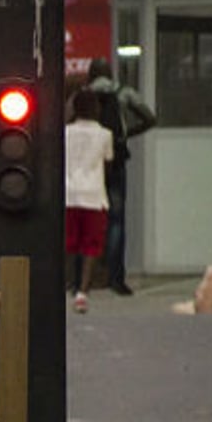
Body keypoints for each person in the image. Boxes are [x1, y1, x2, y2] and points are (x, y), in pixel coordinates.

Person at [86, 57, 156, 296]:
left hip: (90, 165)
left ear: (91, 74)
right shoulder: (124, 93)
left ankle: (83, 279)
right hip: (116, 162)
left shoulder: (83, 95)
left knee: (87, 218)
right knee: (116, 221)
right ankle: (116, 279)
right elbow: (150, 118)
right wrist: (126, 136)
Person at [65, 87, 114, 314]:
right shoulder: (105, 134)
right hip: (94, 195)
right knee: (91, 247)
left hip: (68, 193)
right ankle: (82, 293)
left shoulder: (64, 132)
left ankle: (64, 285)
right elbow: (108, 162)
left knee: (68, 244)